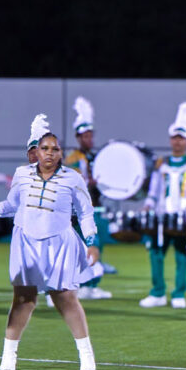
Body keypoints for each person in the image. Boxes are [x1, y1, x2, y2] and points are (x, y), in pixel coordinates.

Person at [0, 115, 99, 370]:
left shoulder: (72, 178)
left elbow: (85, 212)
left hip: (59, 243)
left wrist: (91, 241)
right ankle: (9, 356)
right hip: (26, 241)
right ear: (36, 152)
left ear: (61, 153)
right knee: (23, 299)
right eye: (44, 148)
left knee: (65, 298)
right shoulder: (22, 174)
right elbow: (12, 206)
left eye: (55, 149)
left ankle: (86, 355)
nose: (49, 153)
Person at [139, 102, 186, 309]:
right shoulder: (161, 163)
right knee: (156, 253)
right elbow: (153, 191)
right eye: (174, 138)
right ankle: (158, 292)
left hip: (184, 215)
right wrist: (148, 205)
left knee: (182, 254)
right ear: (170, 140)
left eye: (181, 138)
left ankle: (179, 293)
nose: (177, 142)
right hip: (162, 215)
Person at [64, 96, 113, 300]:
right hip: (80, 212)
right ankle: (83, 284)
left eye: (90, 136)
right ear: (78, 137)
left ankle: (92, 285)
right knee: (84, 247)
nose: (88, 140)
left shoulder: (96, 157)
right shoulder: (73, 158)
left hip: (96, 208)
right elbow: (75, 182)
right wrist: (89, 182)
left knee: (97, 246)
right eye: (84, 136)